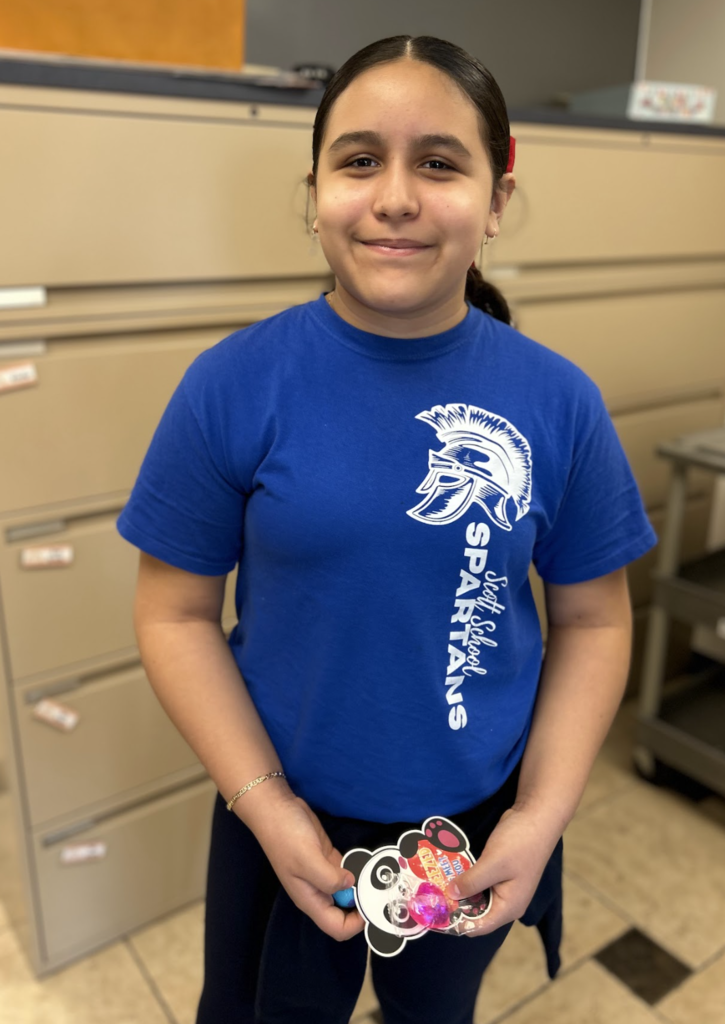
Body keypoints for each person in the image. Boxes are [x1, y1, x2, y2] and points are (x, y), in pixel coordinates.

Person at [117, 34, 656, 1024]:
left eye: (438, 163)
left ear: (495, 198)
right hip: (277, 807)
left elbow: (591, 622)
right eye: (359, 159)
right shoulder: (233, 387)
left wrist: (539, 819)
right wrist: (267, 807)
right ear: (315, 189)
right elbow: (175, 615)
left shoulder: (557, 403)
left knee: (430, 1014)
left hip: (477, 824)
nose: (396, 196)